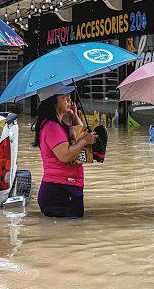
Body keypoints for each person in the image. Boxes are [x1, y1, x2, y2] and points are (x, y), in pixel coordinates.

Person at [33, 83, 105, 219]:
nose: (69, 100)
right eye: (64, 97)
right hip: (59, 190)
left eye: (69, 97)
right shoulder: (52, 127)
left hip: (66, 188)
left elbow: (79, 134)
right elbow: (65, 155)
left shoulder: (60, 125)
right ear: (53, 101)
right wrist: (84, 141)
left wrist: (74, 116)